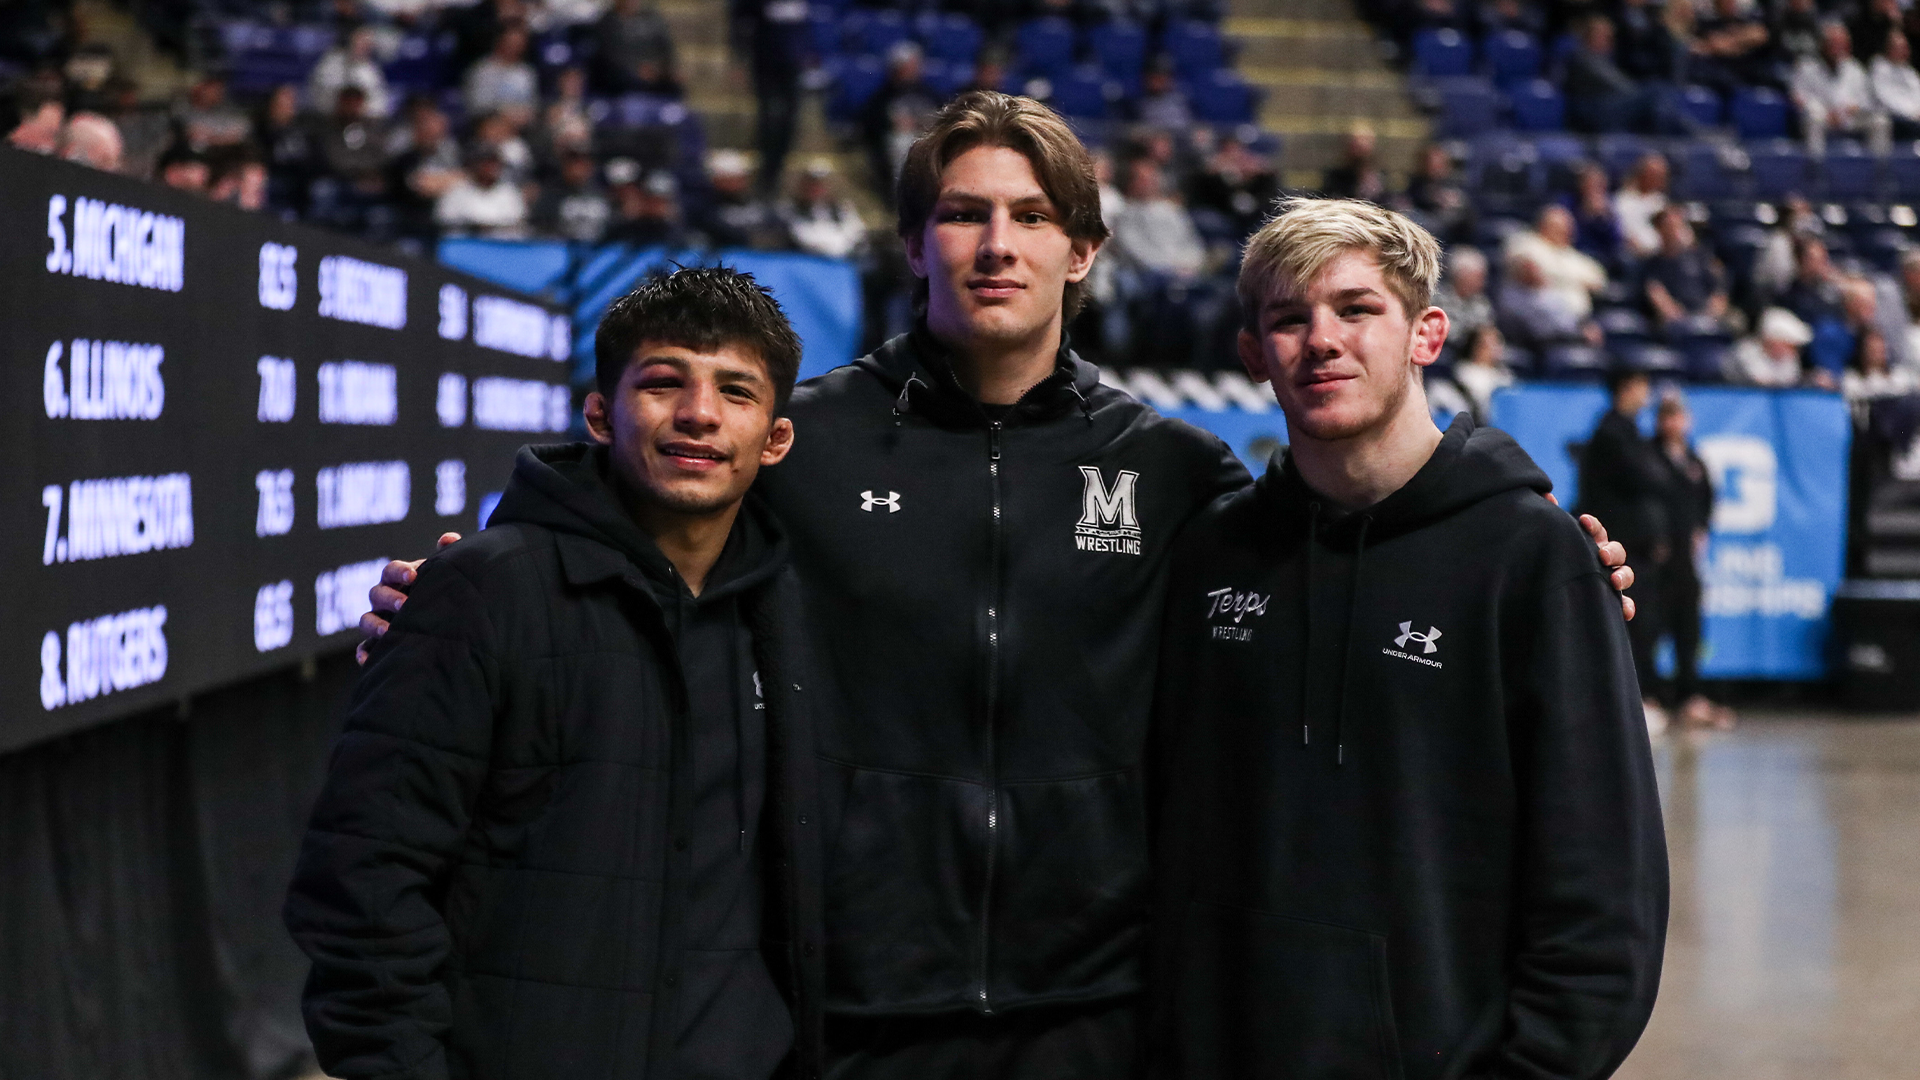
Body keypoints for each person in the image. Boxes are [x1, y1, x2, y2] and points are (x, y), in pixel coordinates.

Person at [358, 92, 1636, 1079]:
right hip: (847, 1006)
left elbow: (1340, 560)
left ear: (1083, 250)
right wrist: (468, 590)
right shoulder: (805, 442)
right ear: (916, 243)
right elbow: (631, 515)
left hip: (1098, 1016)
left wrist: (1542, 571)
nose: (996, 244)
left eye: (1030, 217)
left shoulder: (1174, 471)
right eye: (965, 214)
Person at [1147, 197, 1667, 1078]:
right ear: (1253, 354)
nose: (1322, 340)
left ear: (1426, 334)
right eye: (1288, 319)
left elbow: (1603, 898)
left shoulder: (1532, 558)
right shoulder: (1210, 553)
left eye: (1356, 308)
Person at [286, 268, 829, 1080]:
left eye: (735, 390)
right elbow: (363, 882)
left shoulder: (790, 613)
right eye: (663, 381)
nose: (699, 413)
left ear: (775, 439)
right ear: (600, 414)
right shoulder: (484, 590)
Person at [1578, 367, 1675, 731]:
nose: (1646, 394)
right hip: (1622, 548)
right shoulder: (1612, 433)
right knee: (1630, 624)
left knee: (1645, 624)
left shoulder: (1631, 432)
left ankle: (1640, 697)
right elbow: (1650, 477)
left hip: (1639, 548)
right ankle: (1629, 701)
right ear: (1625, 387)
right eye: (1641, 386)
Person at [1652, 392, 1730, 730]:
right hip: (1655, 562)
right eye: (1667, 416)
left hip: (1686, 561)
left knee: (1689, 630)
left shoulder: (1694, 461)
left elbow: (1706, 500)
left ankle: (1689, 697)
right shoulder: (1649, 457)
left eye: (1678, 416)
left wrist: (1700, 530)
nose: (1673, 423)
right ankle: (1649, 697)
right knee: (1649, 629)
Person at [1791, 20, 1885, 153]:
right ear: (1823, 44)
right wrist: (1825, 112)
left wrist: (1853, 108)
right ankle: (1815, 162)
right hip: (1821, 117)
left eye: (1842, 44)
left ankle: (1877, 164)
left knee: (1880, 121)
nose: (1837, 48)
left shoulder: (1854, 68)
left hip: (1848, 118)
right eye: (1833, 43)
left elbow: (1866, 100)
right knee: (1814, 118)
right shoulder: (1806, 66)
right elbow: (1798, 97)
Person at [1503, 204, 1607, 319]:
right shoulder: (1526, 243)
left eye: (1568, 228)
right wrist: (1575, 281)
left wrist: (1555, 277)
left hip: (1576, 317)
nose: (1566, 232)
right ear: (1543, 225)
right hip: (1534, 311)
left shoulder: (1572, 255)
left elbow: (1598, 280)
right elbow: (1530, 272)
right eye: (1559, 227)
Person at [1642, 205, 1731, 336]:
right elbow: (1657, 294)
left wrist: (1711, 317)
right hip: (1676, 320)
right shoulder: (1653, 263)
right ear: (1659, 230)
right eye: (1669, 226)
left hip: (1707, 315)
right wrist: (1682, 320)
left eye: (1678, 226)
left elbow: (1719, 291)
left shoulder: (1701, 256)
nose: (1674, 231)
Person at [434, 146, 529, 238]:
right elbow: (445, 226)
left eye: (494, 163)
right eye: (485, 163)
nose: (490, 168)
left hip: (501, 246)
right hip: (466, 244)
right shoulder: (455, 192)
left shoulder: (510, 193)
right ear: (473, 165)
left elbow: (518, 228)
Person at [1731, 306, 1818, 385]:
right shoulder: (1745, 352)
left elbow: (1790, 381)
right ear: (1774, 341)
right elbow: (1763, 382)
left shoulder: (1788, 360)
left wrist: (1811, 378)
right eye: (1789, 346)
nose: (1793, 352)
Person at [1614, 152, 1670, 259]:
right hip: (1639, 256)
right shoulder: (1623, 201)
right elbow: (1624, 234)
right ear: (1642, 175)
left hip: (1664, 255)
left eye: (1662, 176)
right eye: (1655, 175)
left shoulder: (1660, 200)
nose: (1661, 180)